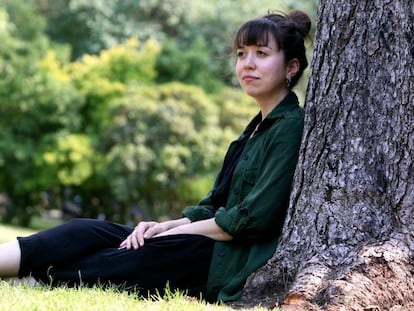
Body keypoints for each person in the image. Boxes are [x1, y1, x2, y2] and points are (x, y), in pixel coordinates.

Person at [0, 9, 311, 303]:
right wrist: (165, 226)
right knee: (85, 230)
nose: (247, 63)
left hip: (222, 260)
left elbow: (248, 220)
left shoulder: (289, 127)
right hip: (201, 241)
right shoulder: (255, 129)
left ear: (291, 67)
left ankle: (28, 277)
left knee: (118, 260)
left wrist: (173, 232)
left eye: (261, 53)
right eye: (242, 54)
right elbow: (213, 206)